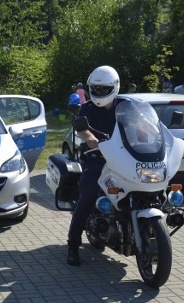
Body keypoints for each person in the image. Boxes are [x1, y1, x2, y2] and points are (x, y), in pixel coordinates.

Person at [66, 65, 123, 266]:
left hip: (122, 160)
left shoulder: (124, 105)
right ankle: (73, 245)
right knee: (88, 196)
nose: (99, 93)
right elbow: (82, 129)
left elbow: (139, 124)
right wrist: (90, 138)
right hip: (97, 159)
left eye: (103, 89)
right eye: (96, 89)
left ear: (114, 87)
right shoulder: (88, 107)